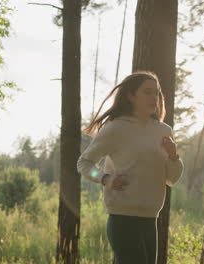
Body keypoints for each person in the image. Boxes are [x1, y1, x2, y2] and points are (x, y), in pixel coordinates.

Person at [77, 71, 184, 264]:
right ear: (131, 96)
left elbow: (172, 179)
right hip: (122, 219)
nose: (154, 98)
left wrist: (173, 156)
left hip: (150, 220)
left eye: (157, 93)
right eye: (148, 92)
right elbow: (84, 163)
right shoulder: (116, 128)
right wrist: (104, 178)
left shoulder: (163, 131)